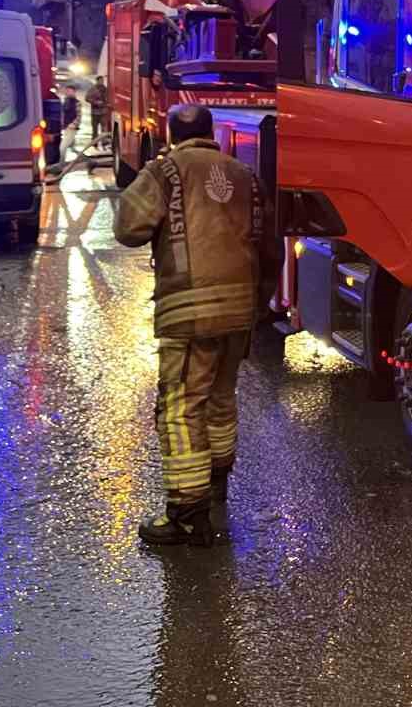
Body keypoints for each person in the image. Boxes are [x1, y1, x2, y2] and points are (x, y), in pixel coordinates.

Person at [114, 103, 269, 547]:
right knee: (221, 398)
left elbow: (128, 228)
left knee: (181, 406)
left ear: (170, 134)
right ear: (211, 132)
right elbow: (266, 241)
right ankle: (216, 483)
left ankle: (186, 513)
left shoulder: (165, 172)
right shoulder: (245, 176)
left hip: (189, 311)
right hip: (240, 310)